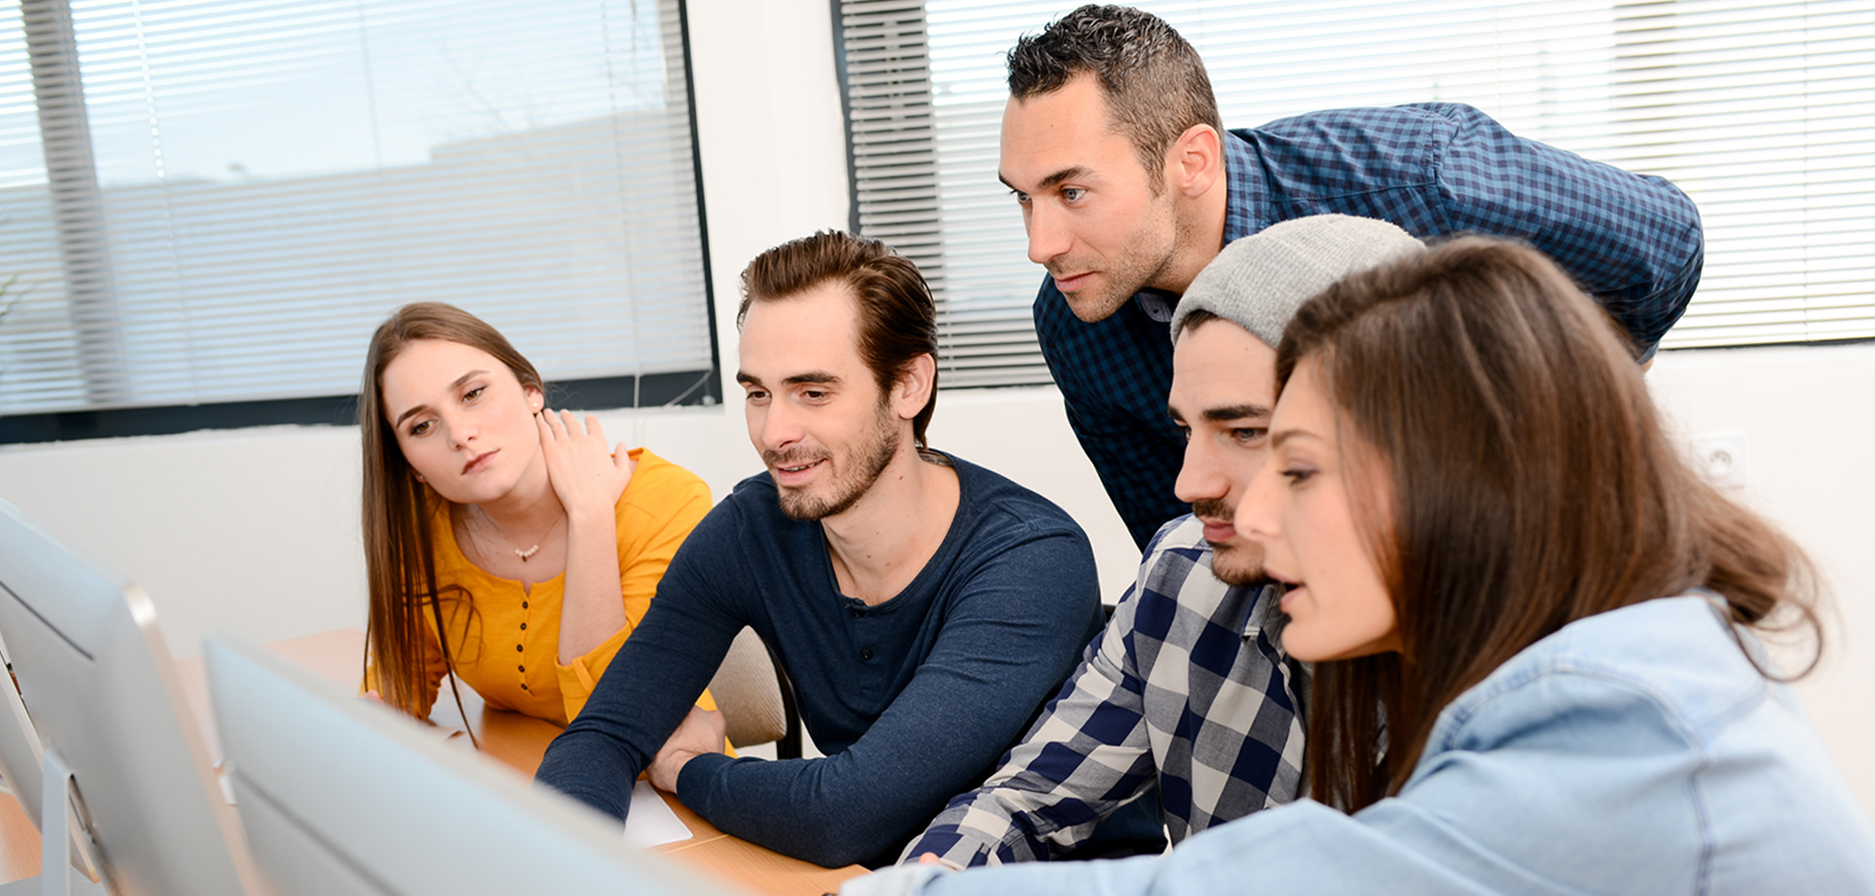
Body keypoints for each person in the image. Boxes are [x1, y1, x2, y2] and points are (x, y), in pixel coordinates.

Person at [846, 238, 1875, 895]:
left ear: (1455, 472)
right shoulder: (1601, 658)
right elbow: (1033, 800)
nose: (1238, 500)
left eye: (1290, 460)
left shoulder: (1615, 710)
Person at [999, 4, 1706, 547]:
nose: (1040, 244)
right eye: (1022, 197)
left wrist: (1551, 430)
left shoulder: (1424, 177)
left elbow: (1663, 244)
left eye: (1072, 192)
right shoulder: (1074, 319)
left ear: (1190, 161)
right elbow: (1185, 532)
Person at [532, 232, 1106, 869]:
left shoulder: (1029, 561)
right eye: (758, 393)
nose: (775, 433)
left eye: (814, 392)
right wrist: (558, 866)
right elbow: (603, 735)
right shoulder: (754, 528)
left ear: (909, 385)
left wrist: (686, 768)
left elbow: (847, 815)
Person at [902, 215, 1422, 867]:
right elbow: (1025, 800)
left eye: (1245, 433)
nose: (1187, 483)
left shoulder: (1522, 688)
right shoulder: (1183, 571)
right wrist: (937, 877)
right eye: (1185, 432)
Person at [359, 302, 715, 730]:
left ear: (531, 391)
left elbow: (617, 723)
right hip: (526, 781)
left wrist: (590, 515)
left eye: (473, 394)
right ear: (407, 462)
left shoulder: (667, 501)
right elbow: (397, 688)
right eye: (421, 426)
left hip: (660, 787)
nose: (459, 434)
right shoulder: (423, 533)